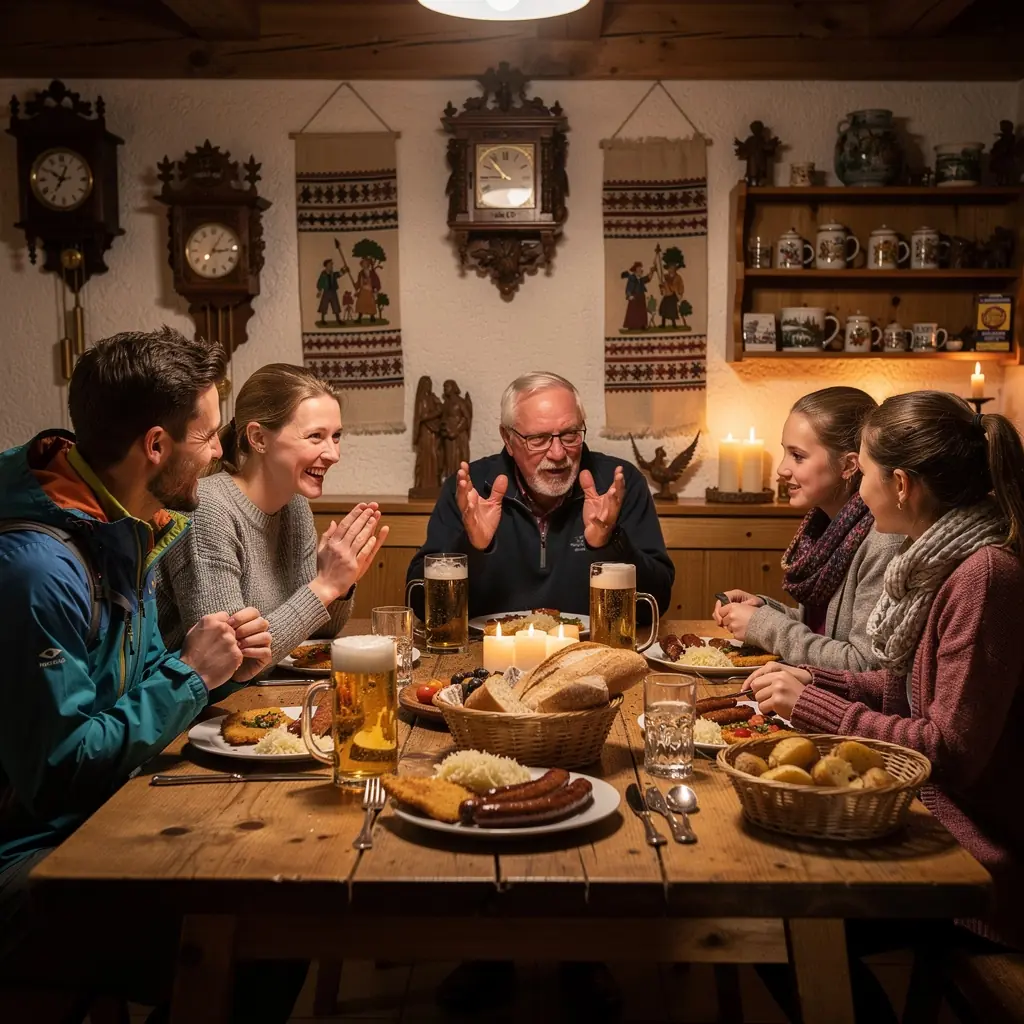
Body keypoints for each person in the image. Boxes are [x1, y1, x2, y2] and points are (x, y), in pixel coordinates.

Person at [0, 327, 304, 1020]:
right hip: (29, 856)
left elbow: (110, 699)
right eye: (209, 435)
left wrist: (200, 659)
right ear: (156, 447)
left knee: (276, 877)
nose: (222, 452)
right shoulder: (37, 570)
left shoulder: (118, 524)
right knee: (265, 933)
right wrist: (188, 678)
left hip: (95, 819)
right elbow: (56, 773)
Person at [750, 391, 1024, 1023]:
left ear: (899, 484)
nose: (859, 491)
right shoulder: (944, 561)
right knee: (773, 895)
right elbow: (903, 690)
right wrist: (804, 677)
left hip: (979, 859)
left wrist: (815, 705)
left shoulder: (985, 576)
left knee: (776, 920)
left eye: (865, 472)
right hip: (941, 826)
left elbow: (949, 752)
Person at [159, 363, 387, 677]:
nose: (333, 454)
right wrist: (324, 586)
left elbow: (319, 633)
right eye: (315, 436)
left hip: (258, 696)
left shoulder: (295, 506)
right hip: (189, 716)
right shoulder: (208, 510)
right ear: (259, 438)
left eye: (336, 436)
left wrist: (340, 585)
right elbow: (230, 668)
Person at [407, 371, 673, 619]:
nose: (558, 454)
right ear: (508, 440)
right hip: (487, 659)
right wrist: (472, 547)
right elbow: (421, 605)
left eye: (570, 435)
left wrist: (610, 541)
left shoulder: (618, 485)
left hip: (591, 655)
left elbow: (655, 603)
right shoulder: (470, 489)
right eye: (538, 439)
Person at [714, 387, 903, 670]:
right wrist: (763, 609)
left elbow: (864, 665)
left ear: (849, 464)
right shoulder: (825, 529)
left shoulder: (882, 542)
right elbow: (823, 631)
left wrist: (765, 626)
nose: (781, 469)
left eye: (798, 456)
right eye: (784, 452)